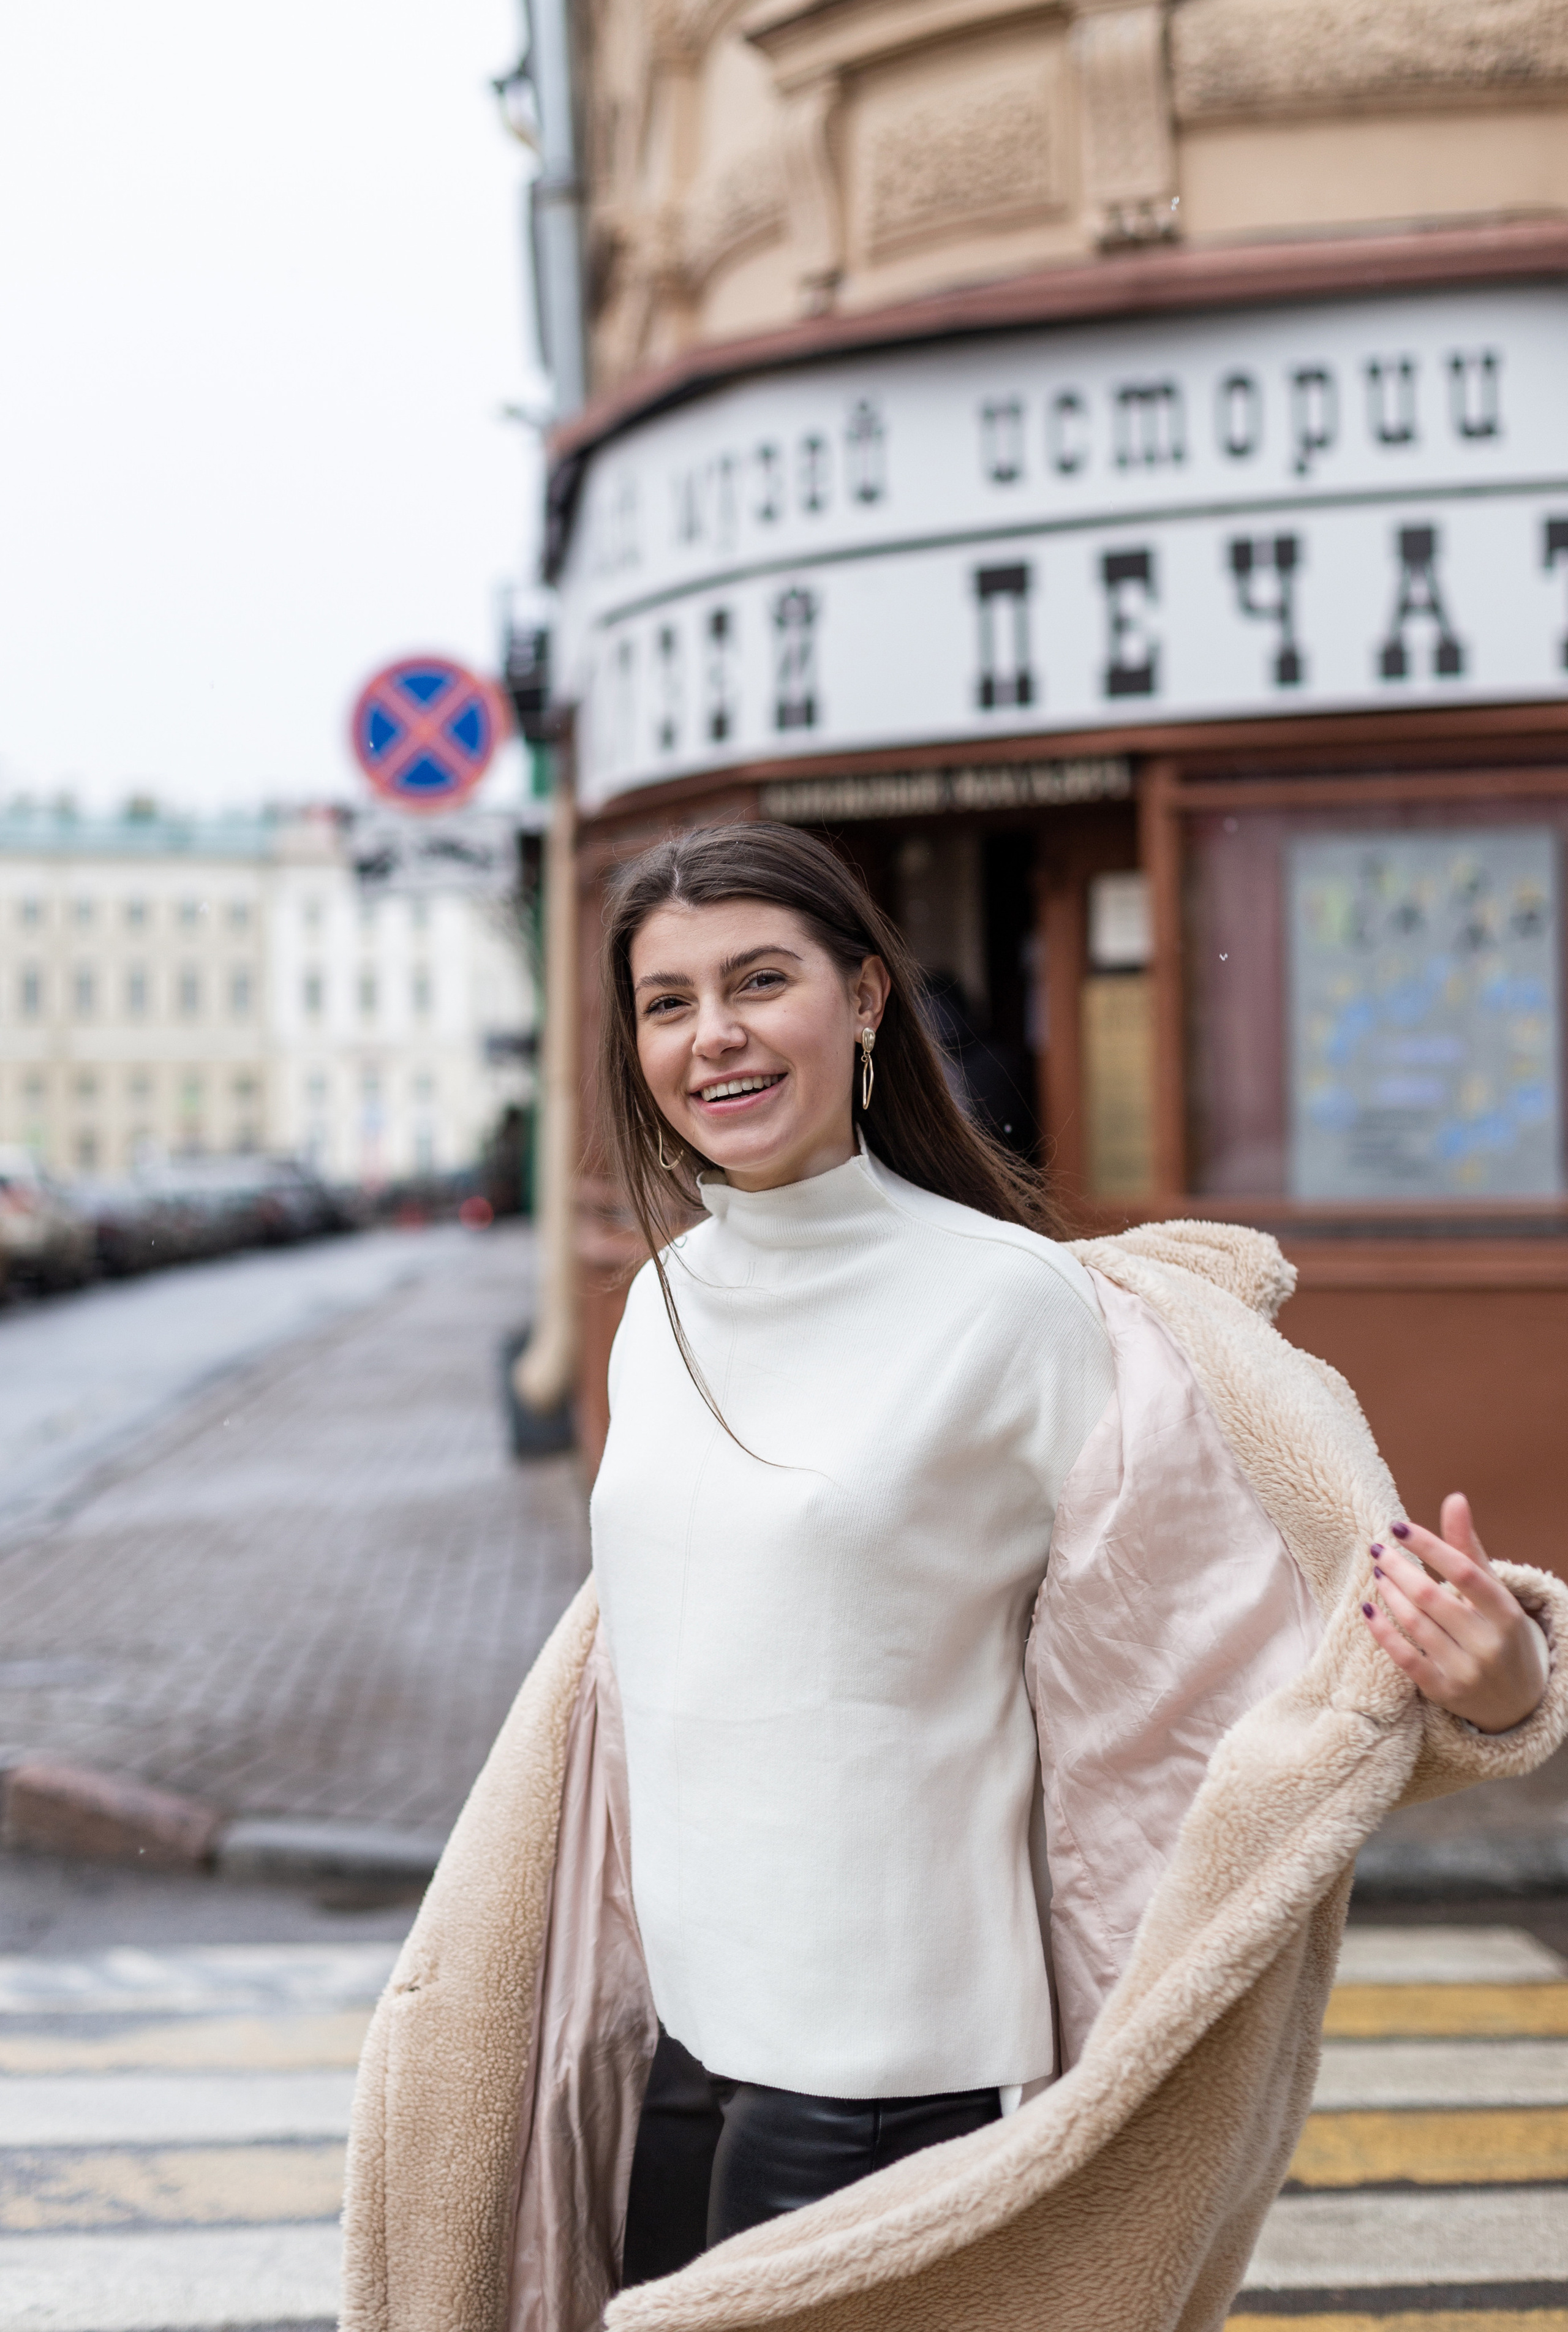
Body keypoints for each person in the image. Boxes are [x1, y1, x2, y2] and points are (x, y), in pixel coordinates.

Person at [342, 823, 1566, 2332]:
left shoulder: (1019, 1305)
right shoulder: (656, 1306)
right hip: (683, 2039)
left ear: (863, 1000)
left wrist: (1489, 1688)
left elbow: (1210, 1651)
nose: (710, 1032)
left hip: (886, 2066)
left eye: (757, 979)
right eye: (665, 1002)